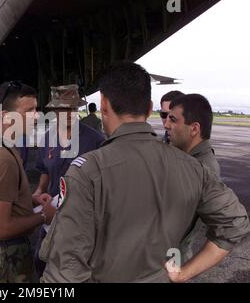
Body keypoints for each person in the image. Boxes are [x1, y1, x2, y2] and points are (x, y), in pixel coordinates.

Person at [40, 62, 249, 283]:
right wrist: (184, 273)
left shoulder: (88, 170)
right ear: (149, 109)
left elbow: (65, 270)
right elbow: (235, 223)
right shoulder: (194, 168)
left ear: (103, 106)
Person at [0, 81, 56, 283]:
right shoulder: (0, 158)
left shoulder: (0, 145)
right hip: (7, 264)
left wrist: (31, 200)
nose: (36, 116)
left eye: (36, 109)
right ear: (4, 115)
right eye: (29, 111)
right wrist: (44, 215)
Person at [32, 85, 105, 277]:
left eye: (73, 109)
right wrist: (39, 191)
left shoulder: (95, 140)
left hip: (81, 219)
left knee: (77, 270)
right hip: (51, 216)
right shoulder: (48, 138)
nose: (69, 113)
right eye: (64, 109)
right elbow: (44, 170)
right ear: (55, 111)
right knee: (42, 262)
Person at [165, 93, 221, 263]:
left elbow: (227, 229)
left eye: (173, 120)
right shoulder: (186, 158)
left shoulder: (202, 169)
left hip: (171, 258)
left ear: (194, 129)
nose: (166, 125)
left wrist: (181, 273)